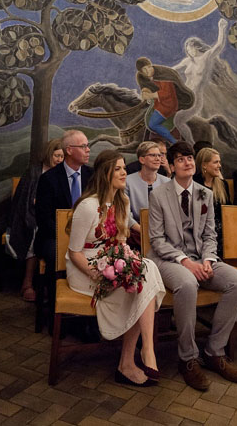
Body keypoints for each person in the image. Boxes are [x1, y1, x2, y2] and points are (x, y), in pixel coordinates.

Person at [149, 140, 237, 391]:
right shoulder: (159, 194)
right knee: (187, 284)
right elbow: (157, 241)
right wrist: (186, 262)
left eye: (190, 158)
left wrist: (207, 260)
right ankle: (188, 358)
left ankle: (215, 351)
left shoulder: (206, 194)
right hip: (169, 259)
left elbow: (210, 236)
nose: (188, 162)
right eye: (180, 159)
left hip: (201, 258)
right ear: (171, 167)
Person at [67, 149, 165, 386]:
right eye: (118, 168)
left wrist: (129, 259)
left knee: (145, 272)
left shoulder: (122, 201)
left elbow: (124, 235)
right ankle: (131, 361)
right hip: (85, 267)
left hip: (113, 261)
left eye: (124, 168)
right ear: (105, 173)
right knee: (141, 284)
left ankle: (140, 354)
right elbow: (74, 252)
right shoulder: (88, 206)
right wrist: (96, 274)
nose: (124, 173)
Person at [10, 138, 64, 302]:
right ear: (49, 154)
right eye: (56, 156)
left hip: (54, 219)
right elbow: (23, 200)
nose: (59, 160)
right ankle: (27, 283)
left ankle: (52, 284)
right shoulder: (34, 172)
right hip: (30, 217)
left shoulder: (62, 175)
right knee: (35, 233)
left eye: (62, 157)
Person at [35, 130, 92, 271]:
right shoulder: (49, 178)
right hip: (55, 235)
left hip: (87, 235)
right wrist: (67, 236)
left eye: (88, 145)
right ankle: (54, 292)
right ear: (70, 150)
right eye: (83, 146)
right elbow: (43, 219)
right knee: (55, 254)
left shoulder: (93, 175)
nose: (88, 150)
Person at [135, 57, 194, 145]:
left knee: (152, 124)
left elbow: (166, 93)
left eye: (149, 67)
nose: (148, 71)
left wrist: (150, 95)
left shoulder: (163, 75)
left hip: (169, 103)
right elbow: (146, 86)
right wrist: (145, 91)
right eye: (144, 70)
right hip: (160, 102)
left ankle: (174, 142)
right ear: (141, 72)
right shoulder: (143, 77)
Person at [125, 141, 170, 244]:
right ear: (142, 159)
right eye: (153, 155)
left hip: (163, 234)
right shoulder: (127, 182)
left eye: (159, 155)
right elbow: (125, 214)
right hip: (136, 233)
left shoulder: (167, 182)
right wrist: (143, 231)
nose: (158, 158)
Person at [193, 148, 228, 252]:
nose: (219, 166)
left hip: (222, 229)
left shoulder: (223, 184)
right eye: (216, 162)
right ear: (204, 165)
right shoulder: (194, 184)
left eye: (219, 162)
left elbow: (228, 210)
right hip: (201, 230)